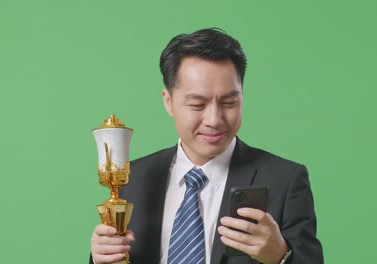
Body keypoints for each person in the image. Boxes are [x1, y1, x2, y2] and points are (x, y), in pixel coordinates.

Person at [90, 28, 323, 264]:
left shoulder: (285, 180)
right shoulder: (134, 178)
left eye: (229, 102)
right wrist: (101, 258)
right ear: (168, 102)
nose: (214, 120)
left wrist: (281, 256)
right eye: (198, 104)